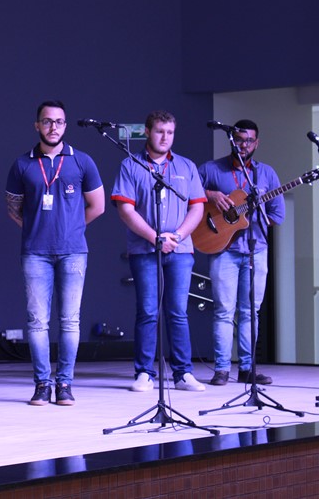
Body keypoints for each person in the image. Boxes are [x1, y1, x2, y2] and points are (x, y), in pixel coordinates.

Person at [5, 100, 105, 406]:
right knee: (37, 322)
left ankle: (64, 384)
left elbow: (98, 206)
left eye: (59, 122)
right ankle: (42, 384)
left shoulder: (82, 161)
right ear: (37, 125)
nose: (53, 127)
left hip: (73, 252)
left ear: (65, 126)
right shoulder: (22, 164)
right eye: (47, 121)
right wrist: (37, 228)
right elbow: (14, 209)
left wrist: (72, 227)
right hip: (35, 253)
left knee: (70, 321)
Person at [111, 110, 207, 392]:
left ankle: (183, 374)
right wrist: (155, 238)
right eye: (159, 131)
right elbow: (125, 210)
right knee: (148, 311)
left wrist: (177, 236)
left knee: (177, 312)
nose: (165, 137)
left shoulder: (187, 167)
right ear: (147, 132)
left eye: (170, 132)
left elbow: (197, 207)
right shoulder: (131, 165)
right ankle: (144, 373)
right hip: (144, 249)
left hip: (180, 249)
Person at [198, 119, 285, 386]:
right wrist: (211, 194)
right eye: (239, 140)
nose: (243, 145)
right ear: (232, 140)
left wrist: (249, 218)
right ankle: (222, 369)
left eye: (249, 141)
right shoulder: (211, 169)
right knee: (224, 311)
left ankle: (247, 368)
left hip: (256, 250)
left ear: (256, 143)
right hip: (223, 249)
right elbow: (186, 194)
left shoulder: (266, 174)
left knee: (250, 312)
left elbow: (277, 214)